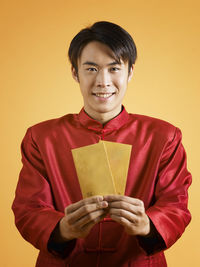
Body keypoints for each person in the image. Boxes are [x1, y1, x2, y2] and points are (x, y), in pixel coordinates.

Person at [12, 21, 192, 267]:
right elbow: (28, 209)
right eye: (91, 69)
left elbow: (176, 206)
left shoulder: (164, 137)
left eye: (114, 68)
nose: (103, 81)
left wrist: (146, 224)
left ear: (130, 72)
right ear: (75, 73)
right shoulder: (41, 138)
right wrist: (63, 228)